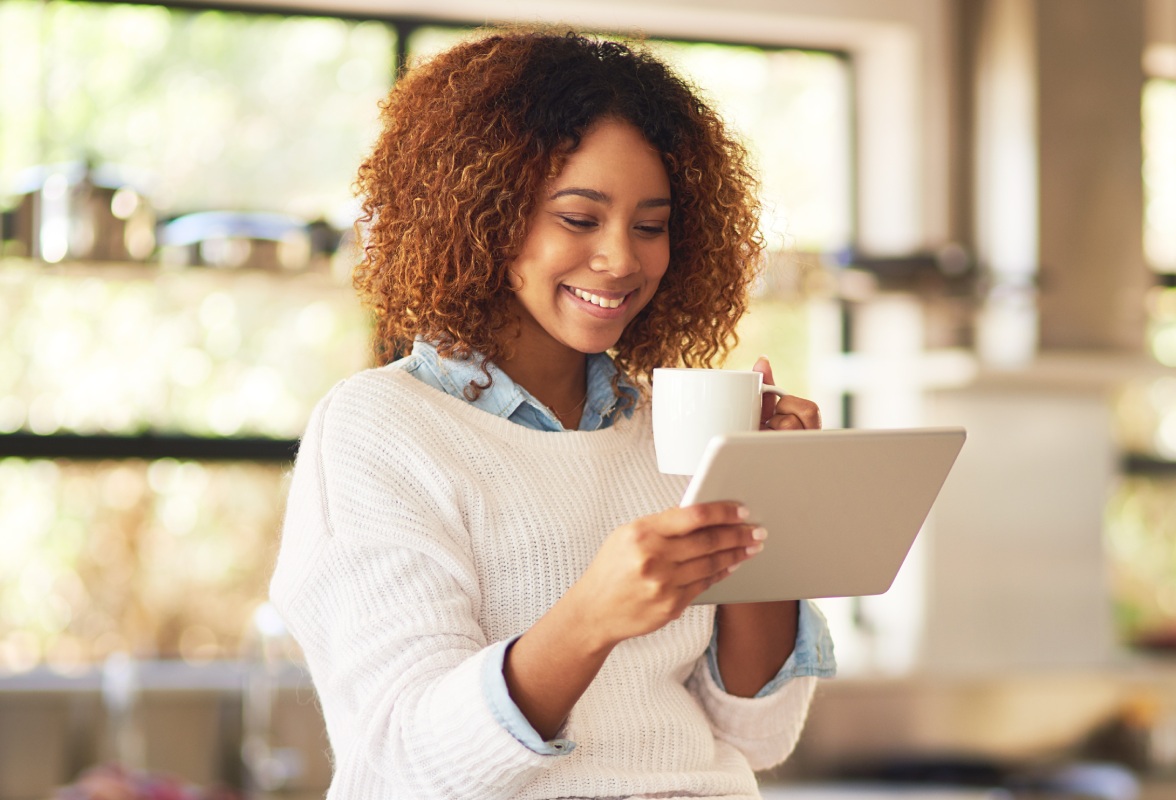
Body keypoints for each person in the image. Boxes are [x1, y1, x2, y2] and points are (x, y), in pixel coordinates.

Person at [269, 28, 835, 800]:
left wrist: (771, 510)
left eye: (650, 224)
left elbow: (757, 736)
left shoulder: (668, 430)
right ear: (486, 215)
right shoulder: (379, 428)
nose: (622, 259)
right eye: (579, 218)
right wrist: (591, 619)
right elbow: (406, 764)